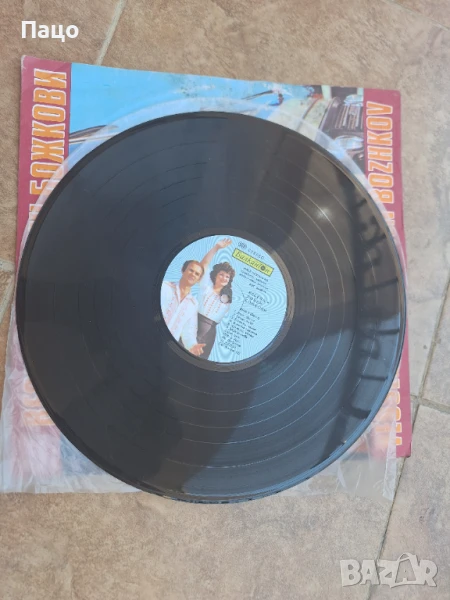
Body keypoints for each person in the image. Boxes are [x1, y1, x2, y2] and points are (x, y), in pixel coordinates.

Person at [197, 238, 236, 359]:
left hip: (210, 333)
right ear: (215, 275)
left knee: (198, 361)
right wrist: (216, 248)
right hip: (194, 324)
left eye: (227, 276)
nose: (224, 278)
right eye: (221, 274)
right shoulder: (206, 285)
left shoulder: (228, 296)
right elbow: (203, 264)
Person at [161, 260, 206, 356]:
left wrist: (193, 346)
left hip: (166, 350)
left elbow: (189, 333)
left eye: (197, 274)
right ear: (183, 270)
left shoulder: (193, 304)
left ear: (198, 279)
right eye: (191, 270)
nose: (193, 274)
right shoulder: (164, 287)